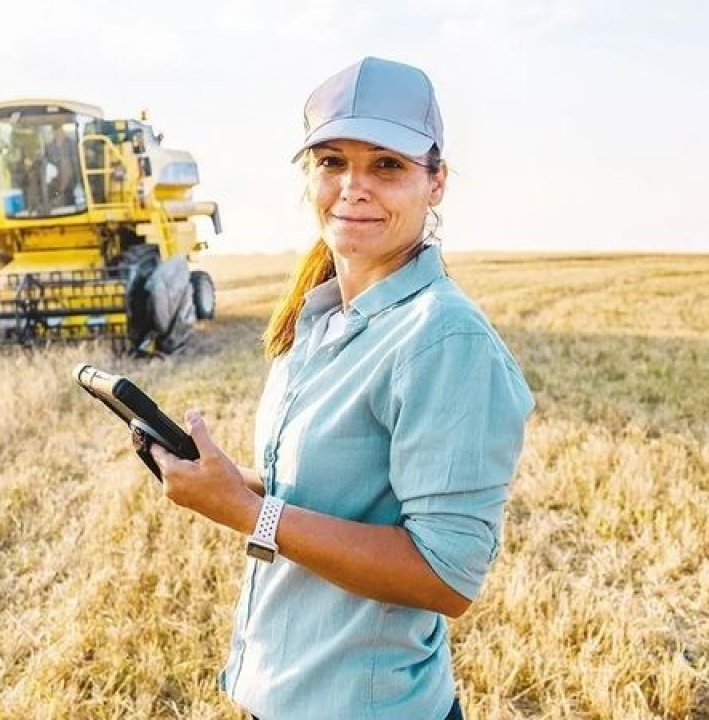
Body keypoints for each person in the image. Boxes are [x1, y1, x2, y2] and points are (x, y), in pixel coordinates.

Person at [150, 57, 534, 720]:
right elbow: (334, 502)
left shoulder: (444, 338)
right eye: (331, 161)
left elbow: (445, 576)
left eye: (387, 164)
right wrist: (233, 484)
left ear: (435, 181)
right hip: (279, 694)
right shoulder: (321, 317)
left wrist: (249, 515)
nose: (353, 186)